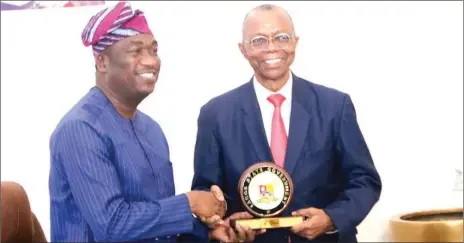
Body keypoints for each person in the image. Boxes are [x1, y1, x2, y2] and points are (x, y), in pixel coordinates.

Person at [191, 4, 382, 243]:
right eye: (258, 40)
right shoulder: (215, 114)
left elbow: (364, 181)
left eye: (281, 37)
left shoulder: (335, 105)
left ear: (295, 42)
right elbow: (207, 194)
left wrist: (332, 218)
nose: (272, 48)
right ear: (243, 49)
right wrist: (225, 222)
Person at [48, 2, 226, 242]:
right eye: (136, 51)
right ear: (102, 62)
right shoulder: (81, 128)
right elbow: (113, 226)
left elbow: (157, 227)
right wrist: (191, 202)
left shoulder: (151, 129)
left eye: (153, 50)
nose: (151, 61)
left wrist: (212, 230)